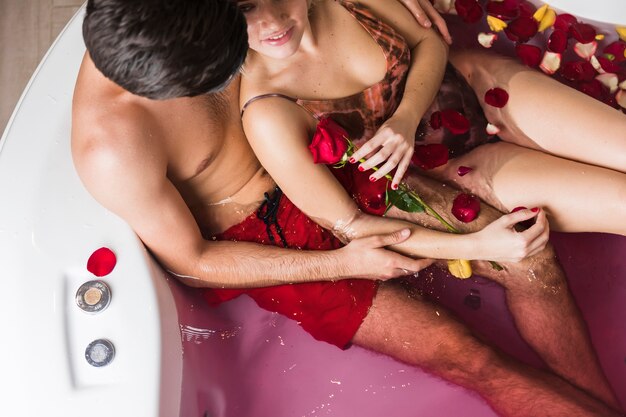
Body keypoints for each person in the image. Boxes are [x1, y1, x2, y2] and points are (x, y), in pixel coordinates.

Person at [71, 0, 622, 415]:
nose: (255, 34)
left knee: (527, 255)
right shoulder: (113, 150)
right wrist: (342, 262)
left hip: (330, 158)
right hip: (263, 235)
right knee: (470, 359)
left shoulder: (197, 21)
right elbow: (193, 259)